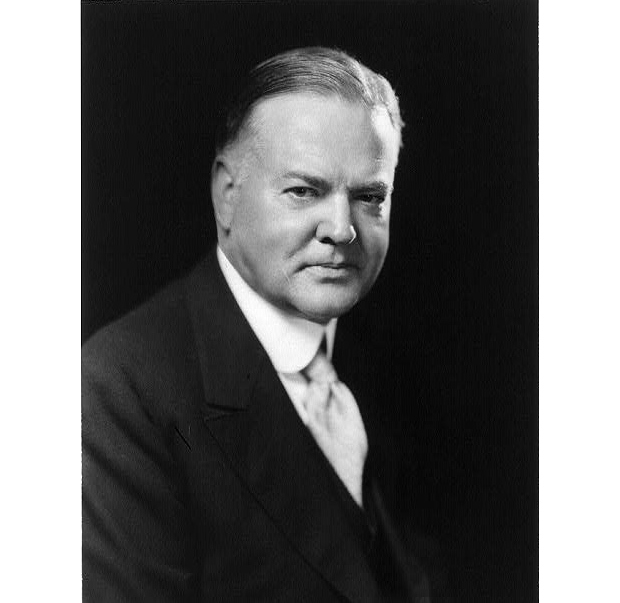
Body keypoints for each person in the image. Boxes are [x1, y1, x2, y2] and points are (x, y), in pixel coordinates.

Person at [82, 47, 431, 602]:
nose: (342, 229)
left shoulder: (391, 361)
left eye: (370, 197)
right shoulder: (118, 391)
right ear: (227, 195)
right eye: (304, 191)